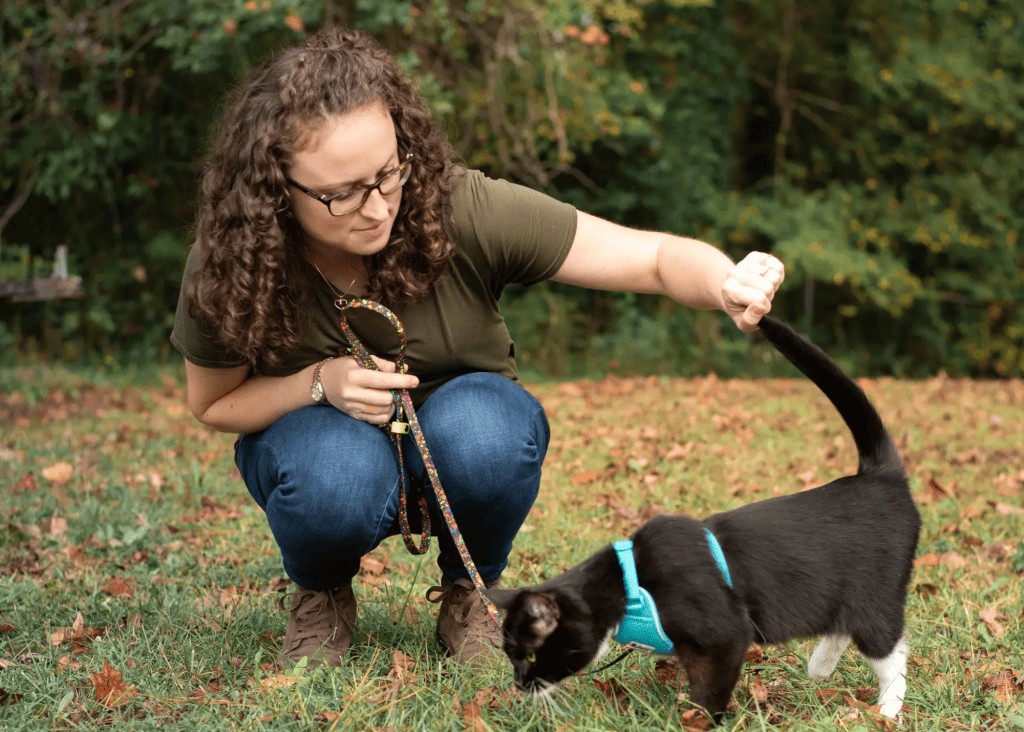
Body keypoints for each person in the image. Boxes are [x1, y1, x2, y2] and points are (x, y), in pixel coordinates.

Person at [171, 27, 784, 669]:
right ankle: (321, 592)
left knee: (489, 426)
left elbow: (654, 258)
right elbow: (213, 404)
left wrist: (725, 281)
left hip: (461, 443)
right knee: (332, 468)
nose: (377, 208)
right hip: (323, 456)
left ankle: (472, 591)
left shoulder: (458, 207)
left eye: (388, 174)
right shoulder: (232, 263)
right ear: (275, 187)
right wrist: (318, 383)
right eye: (342, 193)